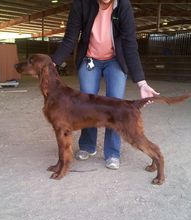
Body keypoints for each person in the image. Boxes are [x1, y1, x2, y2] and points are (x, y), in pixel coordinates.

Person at [52, 0, 159, 170]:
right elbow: (70, 38)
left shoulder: (123, 6)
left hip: (115, 60)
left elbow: (130, 44)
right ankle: (88, 146)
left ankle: (112, 153)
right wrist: (52, 64)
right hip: (90, 59)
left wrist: (141, 82)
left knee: (115, 104)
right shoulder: (81, 4)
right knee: (86, 103)